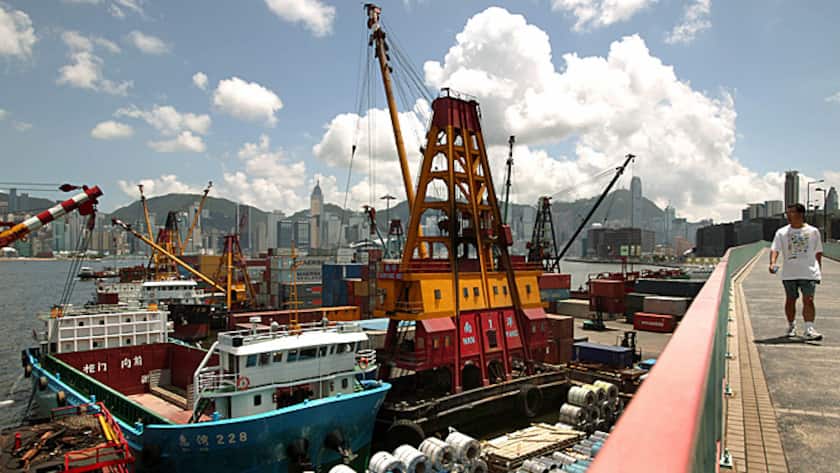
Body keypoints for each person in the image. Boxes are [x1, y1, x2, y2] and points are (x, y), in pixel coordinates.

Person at [769, 203, 823, 340]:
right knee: (790, 300)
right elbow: (775, 249)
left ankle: (809, 329)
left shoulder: (813, 231)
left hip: (809, 272)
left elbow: (818, 252)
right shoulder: (781, 232)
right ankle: (791, 325)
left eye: (791, 212)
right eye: (787, 213)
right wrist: (772, 263)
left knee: (809, 300)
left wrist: (819, 270)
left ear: (800, 214)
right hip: (790, 273)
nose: (788, 215)